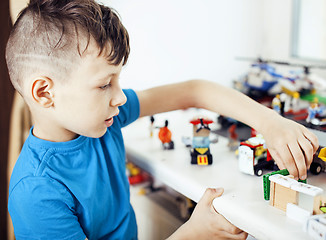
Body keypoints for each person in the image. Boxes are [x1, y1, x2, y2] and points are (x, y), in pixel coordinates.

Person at [6, 0, 318, 239]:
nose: (121, 96)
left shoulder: (102, 119)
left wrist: (271, 122)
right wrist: (191, 233)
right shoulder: (36, 193)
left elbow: (194, 90)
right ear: (45, 93)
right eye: (104, 84)